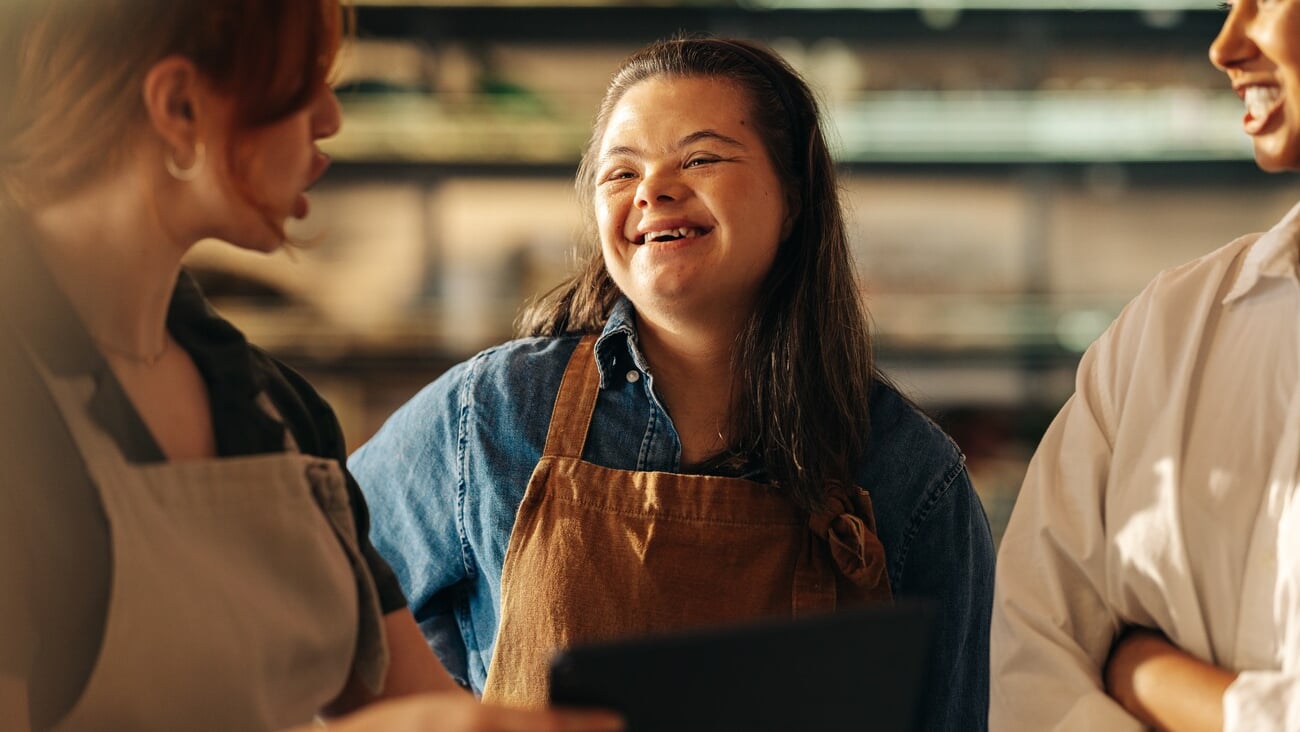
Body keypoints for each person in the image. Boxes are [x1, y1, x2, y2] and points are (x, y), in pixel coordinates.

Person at [0, 2, 623, 732]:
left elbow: (404, 705)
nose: (330, 119)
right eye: (304, 85)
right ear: (178, 105)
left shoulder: (275, 411)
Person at [350, 36, 995, 731]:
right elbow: (320, 597)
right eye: (619, 173)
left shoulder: (912, 476)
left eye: (701, 158)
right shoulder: (494, 413)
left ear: (796, 196)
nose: (653, 189)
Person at [990, 2, 1300, 731]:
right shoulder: (1167, 327)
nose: (1226, 46)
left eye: (1264, 1)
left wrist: (1152, 678)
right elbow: (1026, 648)